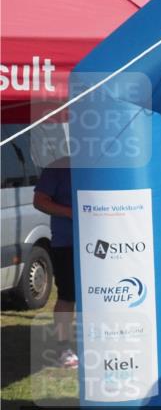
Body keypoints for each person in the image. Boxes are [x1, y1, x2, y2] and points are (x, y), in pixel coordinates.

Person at [33, 157, 77, 368]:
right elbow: (39, 200)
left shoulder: (105, 163)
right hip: (67, 243)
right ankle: (64, 348)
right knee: (68, 296)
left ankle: (105, 340)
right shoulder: (58, 167)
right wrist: (69, 212)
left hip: (103, 242)